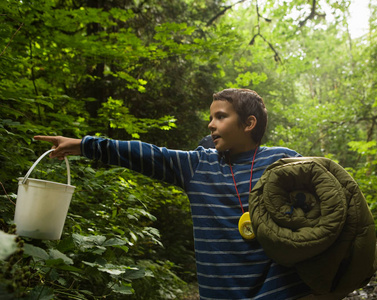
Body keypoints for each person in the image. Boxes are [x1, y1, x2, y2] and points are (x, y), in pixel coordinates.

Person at [34, 88, 312, 299]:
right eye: (211, 117)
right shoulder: (198, 165)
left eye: (221, 117)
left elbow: (319, 214)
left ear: (249, 123)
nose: (210, 125)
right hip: (220, 293)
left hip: (280, 290)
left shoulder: (283, 161)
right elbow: (146, 154)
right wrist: (84, 145)